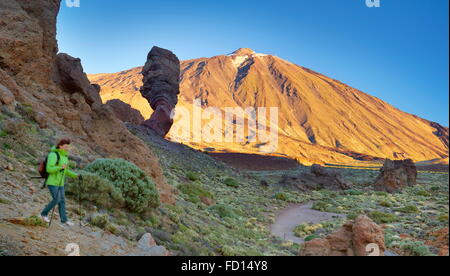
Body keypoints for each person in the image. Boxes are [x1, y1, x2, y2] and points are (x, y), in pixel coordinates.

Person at [40, 138, 79, 226]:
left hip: (60, 183)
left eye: (67, 147)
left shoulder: (65, 157)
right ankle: (43, 214)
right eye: (65, 146)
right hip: (52, 182)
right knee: (57, 199)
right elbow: (49, 169)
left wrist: (75, 175)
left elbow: (65, 170)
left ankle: (64, 220)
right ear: (60, 146)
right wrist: (60, 167)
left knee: (62, 201)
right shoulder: (53, 155)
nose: (66, 148)